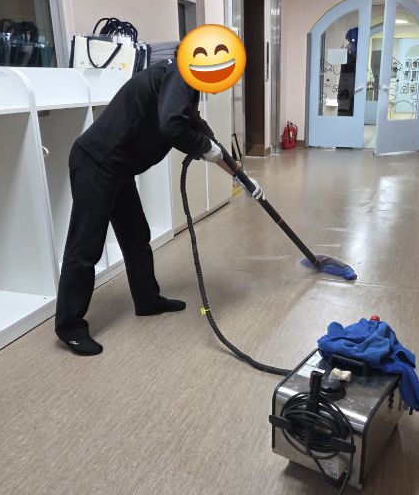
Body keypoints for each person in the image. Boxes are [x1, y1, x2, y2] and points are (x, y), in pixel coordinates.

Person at [55, 58, 264, 356]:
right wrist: (206, 148)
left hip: (118, 168)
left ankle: (147, 301)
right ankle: (69, 327)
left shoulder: (185, 85)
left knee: (136, 237)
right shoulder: (179, 74)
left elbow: (199, 129)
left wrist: (239, 175)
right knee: (85, 246)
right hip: (95, 163)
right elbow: (172, 126)